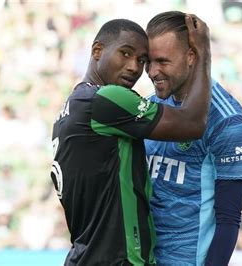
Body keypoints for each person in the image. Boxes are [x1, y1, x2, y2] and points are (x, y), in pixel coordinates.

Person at [50, 16, 211, 265]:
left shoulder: (71, 108)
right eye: (125, 53)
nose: (134, 67)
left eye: (141, 60)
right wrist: (202, 52)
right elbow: (192, 124)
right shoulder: (104, 100)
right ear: (97, 51)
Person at [144, 11, 242, 265]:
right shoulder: (151, 104)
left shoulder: (226, 121)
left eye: (162, 61)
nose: (151, 71)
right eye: (148, 61)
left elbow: (228, 221)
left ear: (191, 56)